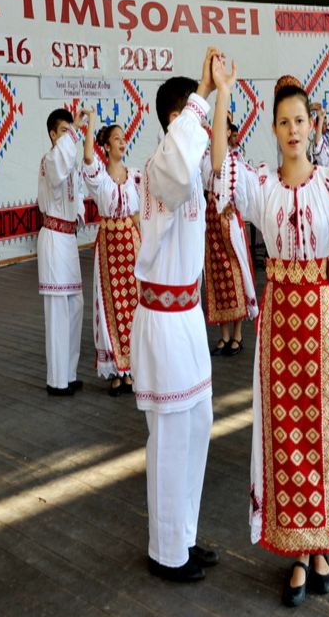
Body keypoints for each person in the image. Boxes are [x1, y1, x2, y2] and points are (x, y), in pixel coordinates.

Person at [211, 55, 329, 608]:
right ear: (274, 129)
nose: (292, 131)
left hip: (318, 316)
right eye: (283, 122)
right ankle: (295, 549)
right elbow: (220, 170)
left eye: (300, 120)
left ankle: (321, 546)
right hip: (279, 326)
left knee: (326, 428)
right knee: (284, 433)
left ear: (313, 124)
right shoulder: (262, 186)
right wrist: (221, 94)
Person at [132, 48, 220, 583]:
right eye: (194, 116)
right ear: (176, 120)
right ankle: (165, 551)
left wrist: (217, 97)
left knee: (196, 425)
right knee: (168, 434)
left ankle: (183, 535)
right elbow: (181, 165)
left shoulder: (184, 169)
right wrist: (203, 96)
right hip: (163, 320)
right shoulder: (162, 167)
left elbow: (205, 167)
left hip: (188, 315)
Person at [38, 107, 96, 396]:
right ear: (53, 134)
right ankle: (56, 380)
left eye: (69, 133)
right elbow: (62, 164)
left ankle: (69, 374)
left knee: (75, 306)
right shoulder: (51, 161)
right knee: (58, 310)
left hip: (68, 240)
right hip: (53, 239)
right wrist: (76, 128)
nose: (69, 137)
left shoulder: (66, 163)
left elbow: (79, 190)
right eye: (63, 131)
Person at [82, 122, 141, 396]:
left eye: (123, 138)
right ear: (106, 146)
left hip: (131, 244)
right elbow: (87, 159)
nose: (122, 141)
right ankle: (117, 370)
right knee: (109, 305)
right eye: (116, 139)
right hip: (108, 248)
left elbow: (139, 215)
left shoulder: (135, 177)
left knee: (133, 303)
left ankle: (131, 368)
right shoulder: (100, 179)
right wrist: (90, 125)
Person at [205, 117, 258, 356]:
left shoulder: (237, 162)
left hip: (229, 224)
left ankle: (237, 334)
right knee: (217, 277)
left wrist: (233, 207)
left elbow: (244, 197)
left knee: (236, 274)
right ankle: (224, 335)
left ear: (227, 132)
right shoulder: (205, 159)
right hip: (212, 225)